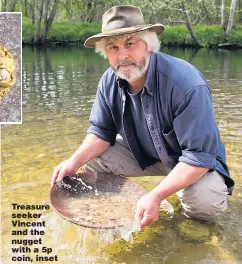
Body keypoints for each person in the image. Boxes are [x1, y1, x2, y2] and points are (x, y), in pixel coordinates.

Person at [51, 5, 234, 227]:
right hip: (147, 156)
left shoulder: (186, 84)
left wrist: (156, 195)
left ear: (148, 45)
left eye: (130, 43)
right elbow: (101, 133)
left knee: (204, 203)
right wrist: (73, 162)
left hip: (193, 162)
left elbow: (199, 156)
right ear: (105, 53)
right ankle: (108, 219)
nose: (123, 55)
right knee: (92, 162)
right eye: (113, 47)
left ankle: (188, 228)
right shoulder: (108, 82)